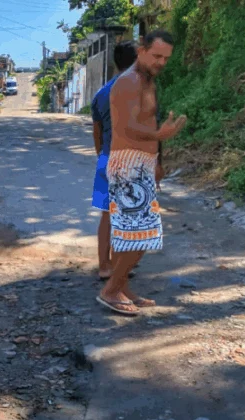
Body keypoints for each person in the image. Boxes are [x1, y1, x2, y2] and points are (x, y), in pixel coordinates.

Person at [96, 29, 187, 316]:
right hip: (127, 165)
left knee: (136, 236)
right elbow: (125, 127)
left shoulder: (146, 80)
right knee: (138, 237)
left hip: (141, 165)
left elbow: (146, 122)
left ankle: (120, 286)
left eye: (166, 58)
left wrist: (156, 160)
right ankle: (110, 291)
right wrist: (161, 134)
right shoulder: (128, 83)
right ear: (141, 51)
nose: (161, 62)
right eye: (157, 55)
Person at [90, 41, 138, 280]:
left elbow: (97, 131)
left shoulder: (101, 94)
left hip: (108, 157)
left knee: (107, 215)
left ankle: (103, 265)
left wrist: (102, 154)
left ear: (114, 63)